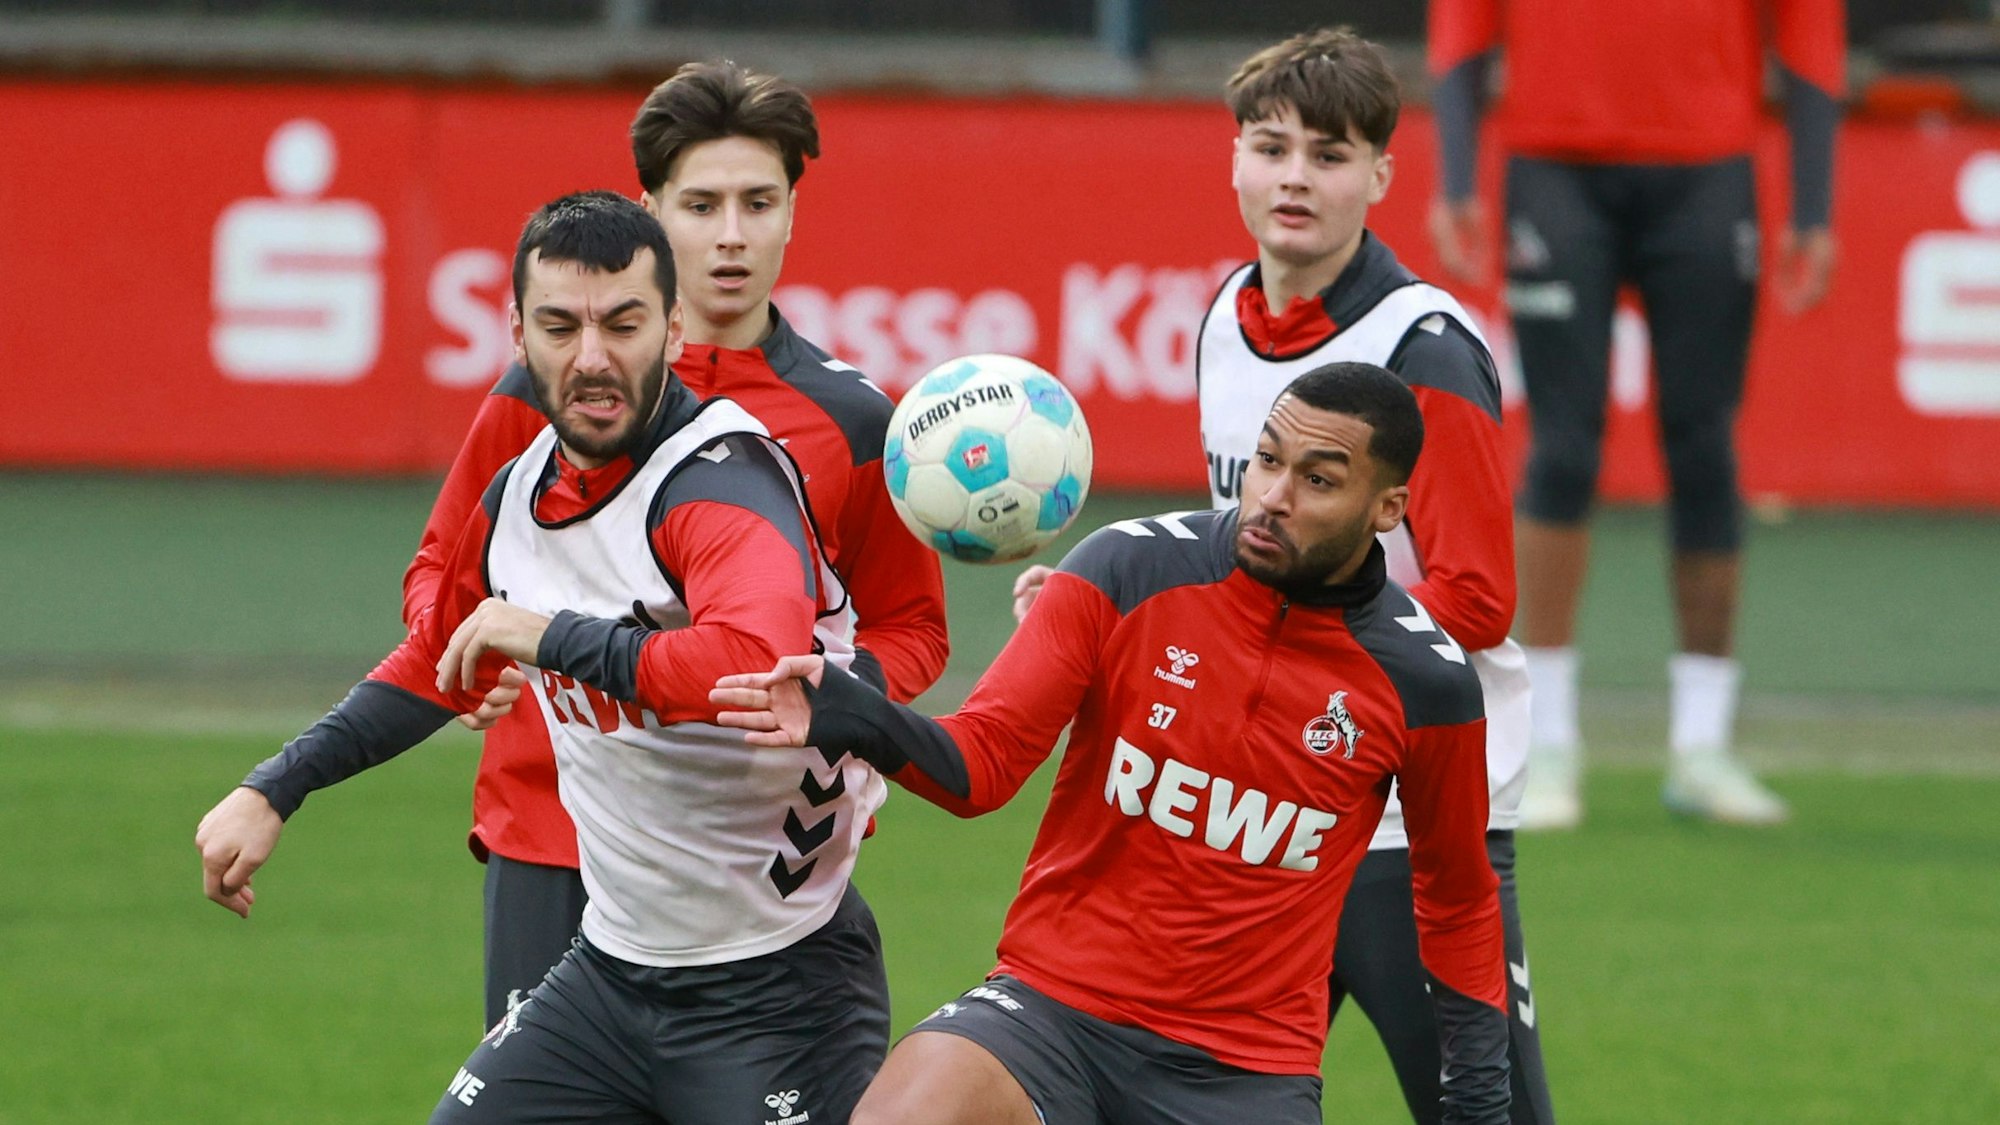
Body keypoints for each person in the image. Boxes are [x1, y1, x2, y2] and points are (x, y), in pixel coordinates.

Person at [195, 191, 892, 1123]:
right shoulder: (518, 496)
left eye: (623, 324)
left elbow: (750, 667)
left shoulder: (724, 482)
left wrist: (548, 635)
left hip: (779, 988)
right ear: (518, 335)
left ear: (675, 327)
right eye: (560, 326)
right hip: (609, 979)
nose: (591, 357)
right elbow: (439, 657)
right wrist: (276, 786)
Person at [719, 363, 1513, 1125]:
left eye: (1319, 480)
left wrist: (1480, 1103)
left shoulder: (1425, 680)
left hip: (1245, 1070)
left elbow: (1458, 899)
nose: (1273, 497)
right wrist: (858, 712)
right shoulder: (1130, 564)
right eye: (1268, 460)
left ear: (1388, 508)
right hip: (1050, 1012)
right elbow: (984, 762)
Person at [1017, 28, 1551, 1124]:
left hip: (1402, 823)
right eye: (1271, 148)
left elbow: (1476, 600)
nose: (1295, 178)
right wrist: (1110, 610)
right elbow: (1238, 558)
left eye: (1329, 154)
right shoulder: (1224, 316)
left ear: (1381, 176)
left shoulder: (1422, 349)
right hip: (1256, 817)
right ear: (1234, 160)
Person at [402, 60, 950, 1027]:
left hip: (748, 864)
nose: (732, 234)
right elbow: (442, 574)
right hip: (553, 833)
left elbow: (912, 625)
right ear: (651, 214)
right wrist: (465, 654)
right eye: (701, 205)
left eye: (758, 202)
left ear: (793, 214)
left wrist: (840, 701)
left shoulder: (857, 420)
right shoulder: (542, 392)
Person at [1427, 0, 1846, 827]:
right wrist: (1456, 178)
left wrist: (1813, 206)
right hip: (1554, 164)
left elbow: (1810, 36)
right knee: (1563, 449)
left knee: (1703, 444)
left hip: (1706, 168)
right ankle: (1545, 741)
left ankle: (1702, 744)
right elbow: (1461, 27)